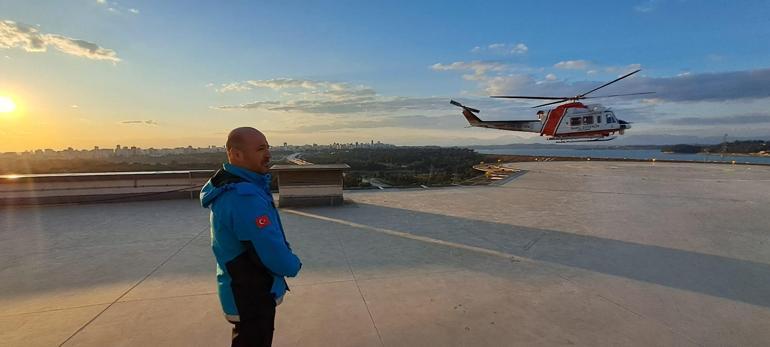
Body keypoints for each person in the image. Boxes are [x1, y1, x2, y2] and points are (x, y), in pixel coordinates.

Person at [200, 127, 302, 347]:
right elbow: (268, 247)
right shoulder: (243, 197)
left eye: (267, 147)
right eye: (260, 149)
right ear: (236, 155)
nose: (268, 154)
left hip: (242, 289)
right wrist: (292, 264)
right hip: (251, 294)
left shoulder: (236, 186)